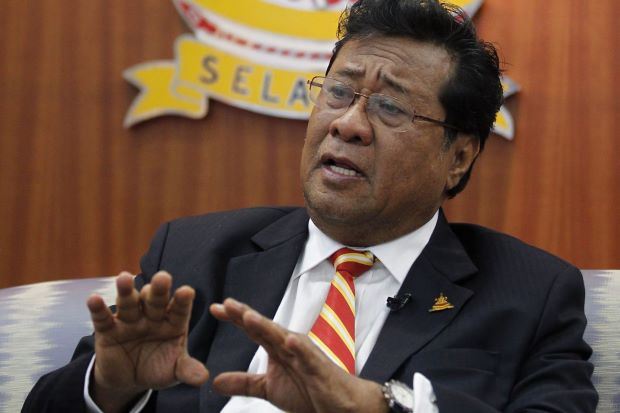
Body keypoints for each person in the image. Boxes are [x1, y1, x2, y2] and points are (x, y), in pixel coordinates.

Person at [23, 1, 597, 412]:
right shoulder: (194, 255)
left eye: (391, 108)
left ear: (459, 156)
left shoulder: (530, 295)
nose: (348, 124)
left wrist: (380, 407)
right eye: (339, 92)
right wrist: (108, 388)